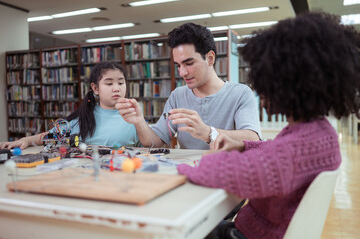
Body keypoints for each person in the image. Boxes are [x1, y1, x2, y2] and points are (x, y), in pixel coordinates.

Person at [177, 12, 360, 239]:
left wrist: (180, 170)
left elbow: (231, 172)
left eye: (263, 81)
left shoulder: (298, 146)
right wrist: (244, 145)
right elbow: (277, 150)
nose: (258, 89)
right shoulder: (317, 131)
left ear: (286, 85)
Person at [116, 22, 261, 149]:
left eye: (189, 63)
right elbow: (157, 142)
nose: (182, 72)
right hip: (186, 172)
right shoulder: (177, 96)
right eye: (178, 65)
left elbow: (253, 139)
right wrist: (139, 122)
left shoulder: (241, 93)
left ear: (210, 58)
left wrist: (208, 133)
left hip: (225, 172)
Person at [1, 62, 139, 149]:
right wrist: (28, 140)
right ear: (95, 88)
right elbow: (53, 136)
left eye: (121, 83)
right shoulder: (84, 117)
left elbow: (151, 145)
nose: (116, 88)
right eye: (109, 83)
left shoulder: (135, 115)